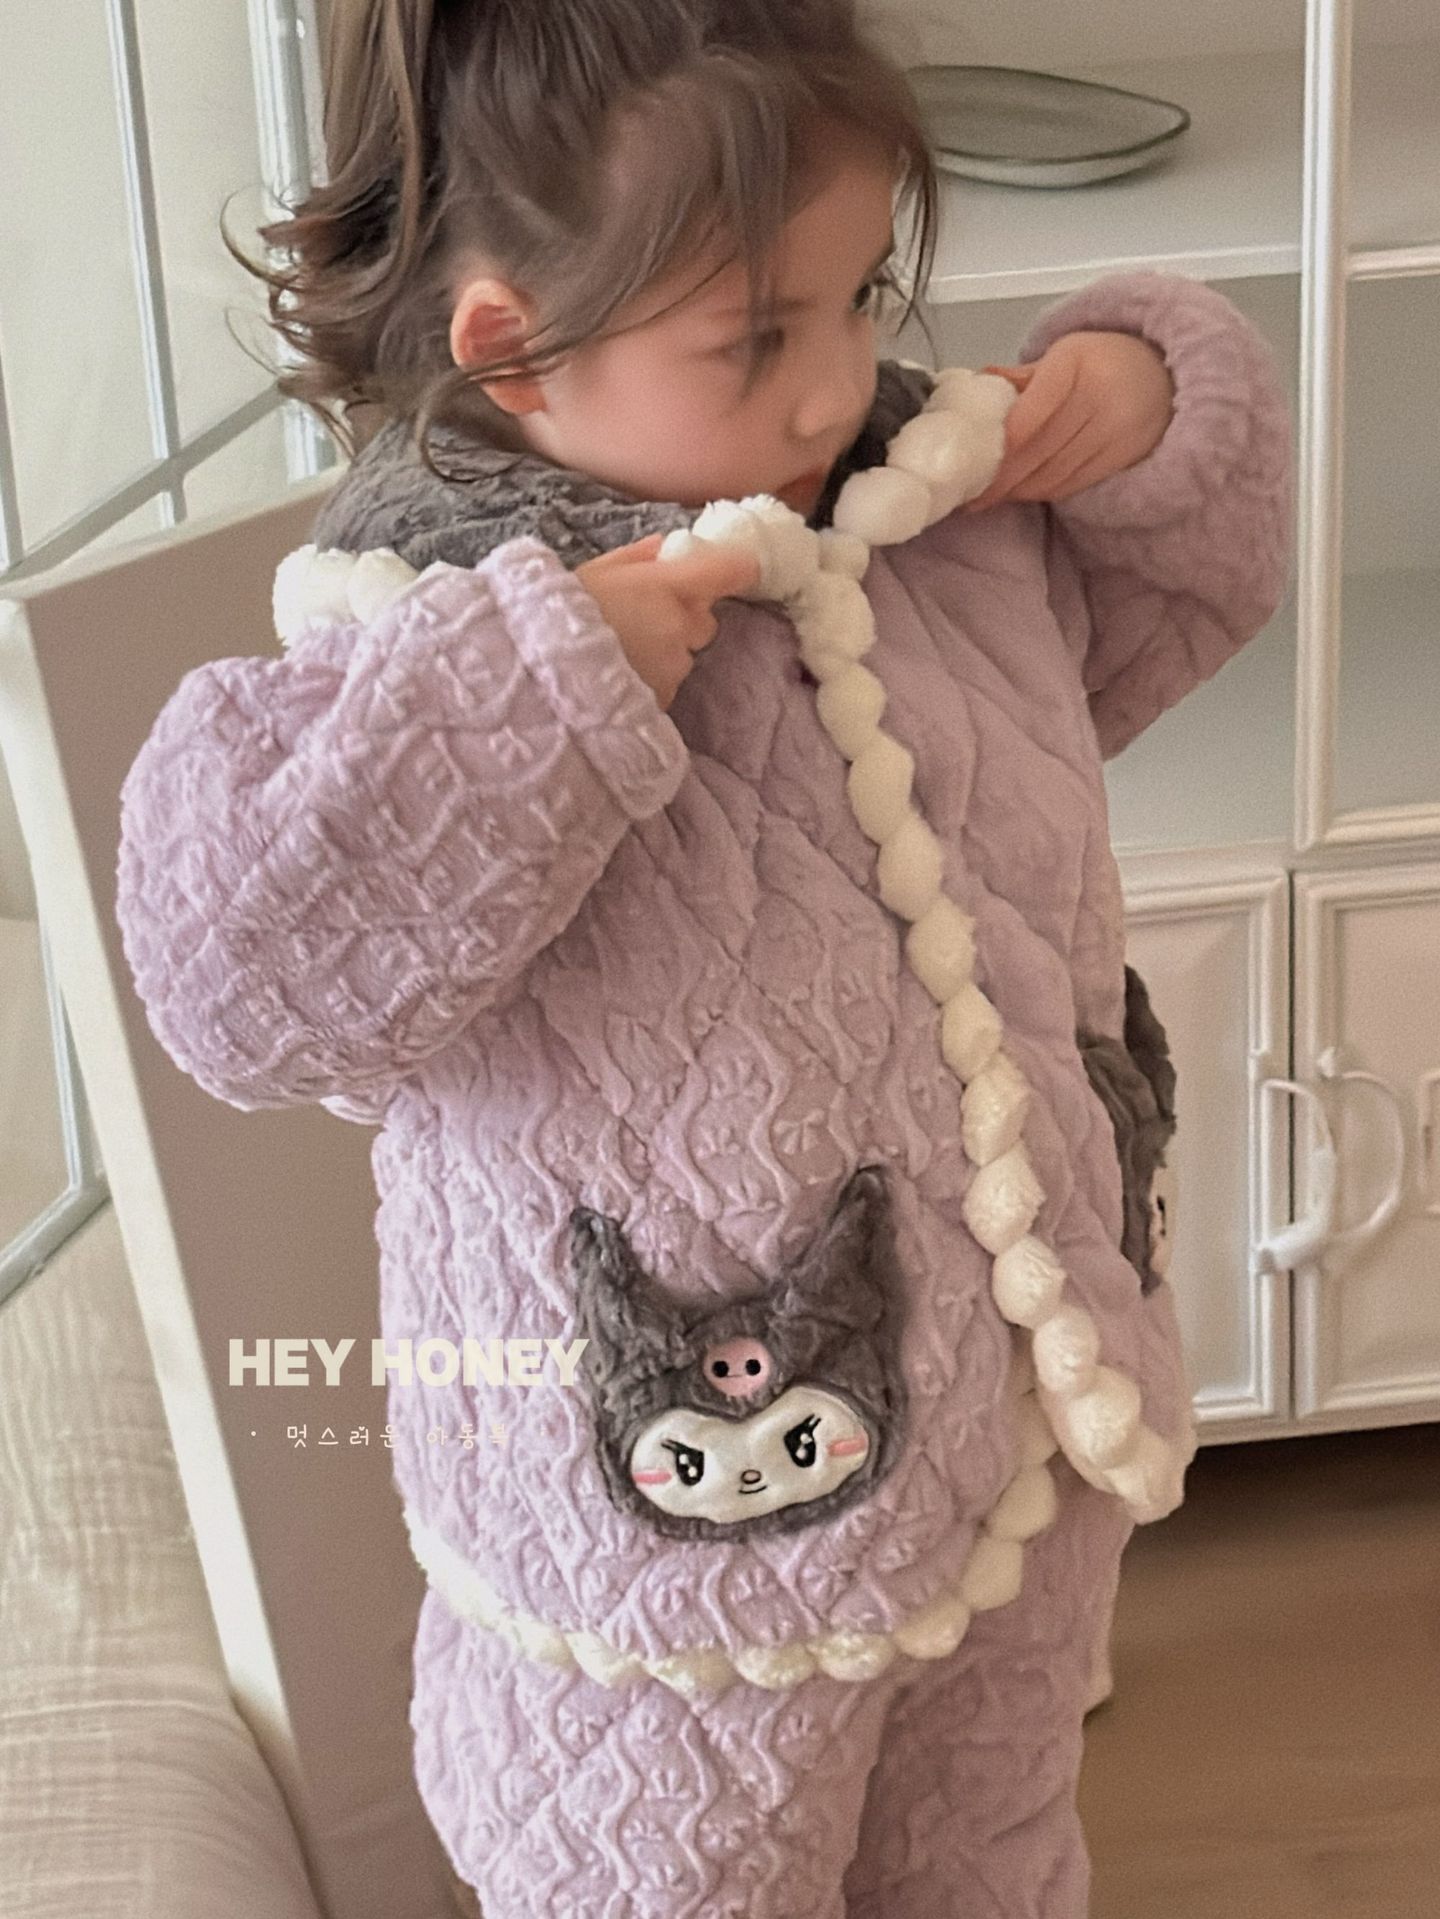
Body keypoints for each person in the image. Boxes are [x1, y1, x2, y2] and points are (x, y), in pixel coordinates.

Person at [115, 2, 1294, 1913]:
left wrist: (1151, 406)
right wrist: (538, 696)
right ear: (512, 347)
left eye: (860, 300)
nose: (832, 389)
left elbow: (1170, 609)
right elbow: (237, 983)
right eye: (757, 336)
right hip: (673, 1582)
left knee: (992, 1857)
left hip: (1014, 1444)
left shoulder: (931, 518)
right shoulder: (413, 630)